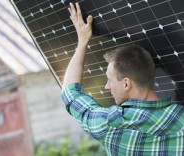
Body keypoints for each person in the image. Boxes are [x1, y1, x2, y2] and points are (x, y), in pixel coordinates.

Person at [61, 2, 184, 155]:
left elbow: (70, 94)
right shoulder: (181, 118)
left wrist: (82, 42)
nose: (106, 87)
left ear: (126, 83)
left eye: (109, 80)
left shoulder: (112, 125)